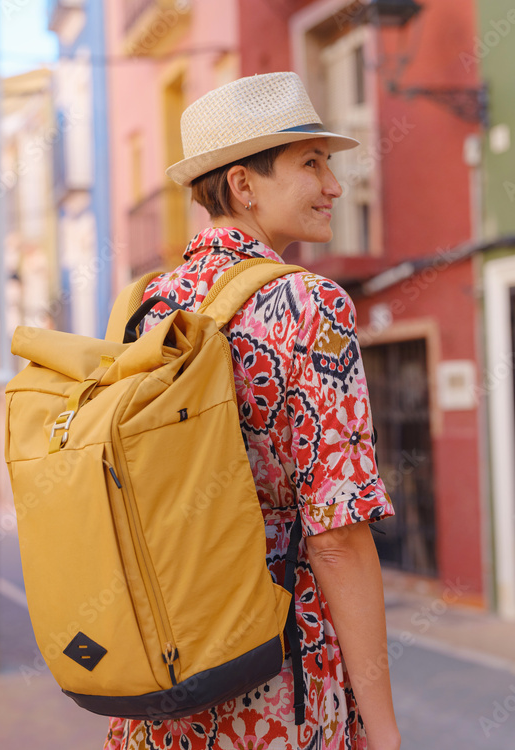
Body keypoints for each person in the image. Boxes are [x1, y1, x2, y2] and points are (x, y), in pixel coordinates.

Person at [104, 72, 400, 750]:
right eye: (311, 163)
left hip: (167, 672)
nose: (334, 184)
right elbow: (336, 536)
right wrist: (383, 730)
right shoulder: (309, 306)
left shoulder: (151, 305)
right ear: (243, 184)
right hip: (277, 680)